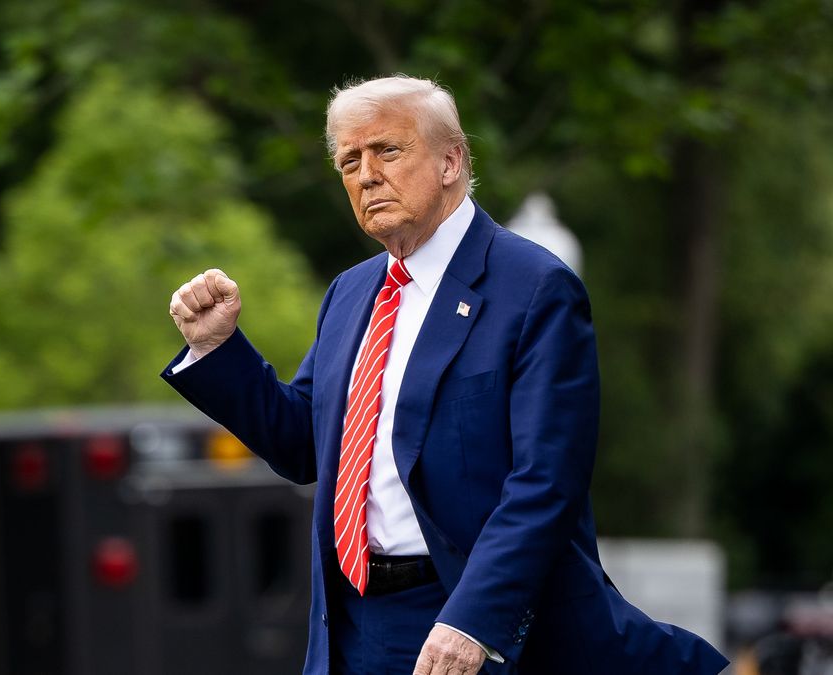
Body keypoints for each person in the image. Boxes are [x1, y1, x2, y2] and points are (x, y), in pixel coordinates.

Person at [162, 75, 727, 675]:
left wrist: (474, 620)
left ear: (452, 159)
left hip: (472, 623)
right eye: (349, 161)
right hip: (351, 626)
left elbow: (546, 480)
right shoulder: (350, 293)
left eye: (388, 150)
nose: (366, 175)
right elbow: (306, 444)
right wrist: (219, 349)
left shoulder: (534, 287)